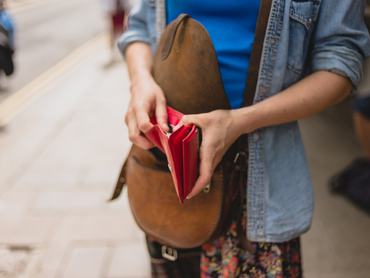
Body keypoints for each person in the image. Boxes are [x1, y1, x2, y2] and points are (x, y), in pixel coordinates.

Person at [118, 0, 370, 277]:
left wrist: (240, 121)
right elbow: (140, 27)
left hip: (259, 189)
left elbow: (342, 63)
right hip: (167, 176)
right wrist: (140, 80)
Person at [0, 0, 15, 81]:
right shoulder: (5, 16)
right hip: (3, 48)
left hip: (3, 46)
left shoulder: (5, 16)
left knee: (8, 68)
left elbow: (10, 31)